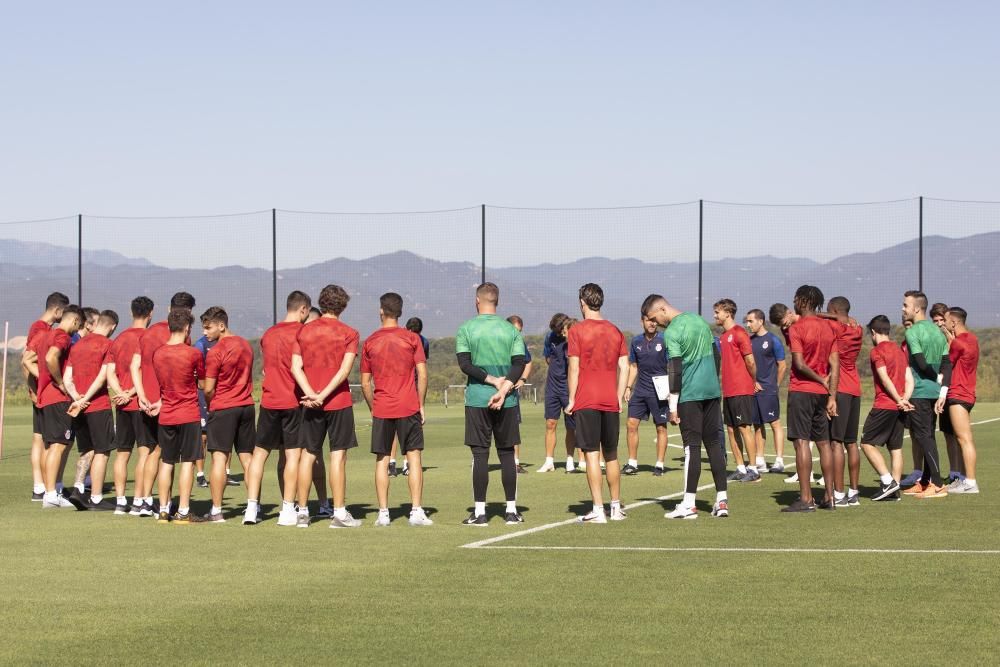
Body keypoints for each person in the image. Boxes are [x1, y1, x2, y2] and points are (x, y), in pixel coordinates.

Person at [644, 295, 729, 519]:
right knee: (714, 445)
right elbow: (717, 354)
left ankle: (689, 504)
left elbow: (675, 369)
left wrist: (672, 406)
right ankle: (722, 501)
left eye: (655, 318)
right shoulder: (699, 320)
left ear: (662, 309)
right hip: (711, 391)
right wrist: (711, 379)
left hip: (690, 395)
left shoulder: (671, 332)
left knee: (691, 448)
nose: (656, 323)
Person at [291, 284, 362, 529]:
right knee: (338, 457)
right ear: (343, 306)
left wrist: (311, 393)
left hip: (310, 403)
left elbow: (295, 368)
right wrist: (323, 394)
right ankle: (339, 514)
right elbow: (344, 371)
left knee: (308, 456)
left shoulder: (304, 331)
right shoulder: (349, 332)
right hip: (338, 402)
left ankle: (301, 513)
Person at [455, 282, 526, 526]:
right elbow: (519, 364)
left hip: (477, 399)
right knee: (507, 454)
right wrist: (505, 386)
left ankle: (480, 513)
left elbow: (464, 364)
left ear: (477, 301)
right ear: (497, 301)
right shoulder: (511, 330)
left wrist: (491, 380)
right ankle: (511, 511)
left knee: (480, 455)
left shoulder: (466, 329)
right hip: (507, 401)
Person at [360, 292, 433, 526]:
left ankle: (383, 513)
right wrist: (420, 403)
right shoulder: (412, 339)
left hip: (382, 408)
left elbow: (364, 382)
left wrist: (374, 407)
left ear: (381, 311)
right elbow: (422, 374)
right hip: (408, 406)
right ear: (400, 312)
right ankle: (416, 511)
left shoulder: (370, 341)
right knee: (414, 458)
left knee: (382, 460)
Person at [247, 291, 312, 527]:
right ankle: (287, 509)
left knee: (260, 454)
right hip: (293, 402)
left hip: (268, 401)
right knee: (292, 455)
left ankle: (251, 507)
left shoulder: (268, 334)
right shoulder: (302, 332)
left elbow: (266, 369)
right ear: (303, 309)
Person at [565, 284, 628, 523]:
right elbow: (625, 366)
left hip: (587, 399)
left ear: (582, 302)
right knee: (611, 454)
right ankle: (616, 508)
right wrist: (619, 396)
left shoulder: (577, 331)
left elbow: (574, 367)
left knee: (592, 455)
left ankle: (598, 510)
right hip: (609, 400)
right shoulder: (615, 330)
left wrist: (571, 398)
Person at [131, 291, 197, 516]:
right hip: (169, 402)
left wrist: (140, 394)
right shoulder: (180, 337)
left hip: (146, 399)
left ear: (169, 309)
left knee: (146, 452)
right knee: (162, 453)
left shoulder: (148, 334)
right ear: (187, 314)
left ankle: (142, 501)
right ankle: (160, 504)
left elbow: (134, 366)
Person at [781, 285, 840, 513]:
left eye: (796, 298)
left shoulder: (798, 328)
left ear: (803, 300)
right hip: (821, 395)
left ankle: (806, 499)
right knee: (824, 443)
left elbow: (799, 364)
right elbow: (834, 365)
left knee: (802, 442)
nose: (794, 301)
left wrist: (821, 380)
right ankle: (829, 497)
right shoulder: (829, 328)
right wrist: (831, 394)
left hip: (802, 390)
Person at [200, 307, 257, 524]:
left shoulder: (215, 351)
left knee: (219, 458)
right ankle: (252, 507)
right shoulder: (246, 345)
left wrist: (210, 404)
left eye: (208, 327)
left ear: (221, 325)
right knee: (247, 457)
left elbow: (208, 388)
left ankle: (216, 510)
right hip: (247, 406)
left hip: (223, 407)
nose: (205, 333)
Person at [150, 309, 206, 523]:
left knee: (166, 461)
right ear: (186, 328)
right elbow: (201, 382)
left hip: (167, 415)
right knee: (188, 462)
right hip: (189, 413)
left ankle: (163, 509)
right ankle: (183, 511)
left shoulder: (158, 353)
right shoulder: (193, 353)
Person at [64, 310, 119, 510]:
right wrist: (86, 398)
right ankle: (96, 497)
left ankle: (78, 489)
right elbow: (103, 376)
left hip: (79, 406)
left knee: (87, 450)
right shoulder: (108, 345)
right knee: (103, 451)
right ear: (112, 327)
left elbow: (67, 379)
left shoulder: (77, 345)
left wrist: (77, 398)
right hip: (97, 405)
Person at [106, 296, 154, 514]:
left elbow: (110, 372)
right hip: (141, 403)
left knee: (122, 453)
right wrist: (131, 393)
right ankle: (138, 501)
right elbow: (143, 373)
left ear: (130, 311)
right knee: (145, 453)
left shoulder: (119, 339)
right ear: (151, 313)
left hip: (122, 404)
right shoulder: (148, 338)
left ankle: (120, 501)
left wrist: (120, 392)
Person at [900, 290, 950, 499]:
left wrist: (935, 378)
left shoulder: (912, 333)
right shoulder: (938, 331)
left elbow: (920, 363)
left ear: (917, 309)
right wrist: (942, 387)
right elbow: (947, 363)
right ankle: (925, 482)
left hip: (920, 391)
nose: (903, 309)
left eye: (905, 305)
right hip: (933, 393)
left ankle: (937, 484)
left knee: (923, 437)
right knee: (926, 436)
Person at [769, 302, 824, 488]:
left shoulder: (809, 322)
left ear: (790, 312)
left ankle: (825, 474)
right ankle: (804, 474)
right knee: (802, 436)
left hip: (815, 383)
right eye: (781, 326)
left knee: (823, 438)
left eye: (785, 322)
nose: (784, 327)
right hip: (801, 383)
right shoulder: (788, 331)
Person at [860, 315, 914, 501]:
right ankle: (895, 490)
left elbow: (884, 378)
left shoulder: (877, 352)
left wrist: (898, 399)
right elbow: (910, 380)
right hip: (899, 407)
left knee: (866, 443)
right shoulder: (900, 351)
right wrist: (904, 399)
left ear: (874, 332)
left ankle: (887, 481)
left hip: (885, 405)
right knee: (895, 447)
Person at [22, 291, 69, 501]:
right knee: (40, 440)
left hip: (40, 391)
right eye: (64, 312)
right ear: (57, 310)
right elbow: (27, 360)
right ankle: (40, 486)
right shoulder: (40, 329)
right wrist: (35, 386)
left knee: (43, 440)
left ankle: (44, 487)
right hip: (41, 393)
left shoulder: (46, 329)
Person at [37, 305, 84, 509]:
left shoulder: (45, 336)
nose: (77, 331)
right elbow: (50, 358)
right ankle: (50, 494)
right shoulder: (62, 336)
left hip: (45, 397)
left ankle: (50, 492)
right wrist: (61, 382)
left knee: (50, 446)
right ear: (74, 321)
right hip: (57, 397)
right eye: (79, 326)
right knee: (59, 445)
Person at [823, 297, 864, 507]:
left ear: (835, 310)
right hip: (855, 388)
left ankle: (839, 494)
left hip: (839, 389)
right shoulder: (858, 329)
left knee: (835, 442)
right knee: (851, 442)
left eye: (830, 310)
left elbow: (815, 316)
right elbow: (844, 318)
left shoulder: (835, 327)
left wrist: (832, 315)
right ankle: (853, 492)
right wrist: (846, 317)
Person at [714, 299, 760, 483]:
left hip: (742, 389)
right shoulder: (724, 337)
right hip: (729, 391)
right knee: (731, 430)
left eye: (717, 312)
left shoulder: (740, 333)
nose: (715, 315)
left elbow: (750, 361)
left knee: (744, 428)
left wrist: (753, 381)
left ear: (727, 312)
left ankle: (754, 469)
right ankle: (740, 468)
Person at [623, 311, 669, 477]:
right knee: (631, 424)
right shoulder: (636, 341)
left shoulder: (664, 340)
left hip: (660, 390)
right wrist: (628, 387)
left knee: (661, 427)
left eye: (654, 321)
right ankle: (632, 463)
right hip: (641, 390)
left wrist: (672, 390)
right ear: (642, 321)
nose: (652, 323)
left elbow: (672, 365)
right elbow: (634, 367)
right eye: (648, 320)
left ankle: (659, 465)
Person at [939, 307, 979, 494]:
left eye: (946, 320)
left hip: (958, 394)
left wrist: (948, 343)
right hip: (968, 393)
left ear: (954, 322)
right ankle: (965, 479)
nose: (943, 323)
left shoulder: (957, 344)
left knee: (964, 439)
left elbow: (947, 364)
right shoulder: (972, 339)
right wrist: (951, 337)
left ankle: (970, 482)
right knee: (963, 438)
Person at [745, 308, 786, 473]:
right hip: (753, 388)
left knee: (775, 423)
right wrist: (752, 382)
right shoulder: (749, 340)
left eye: (751, 321)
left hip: (768, 389)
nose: (748, 324)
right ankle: (760, 460)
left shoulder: (773, 340)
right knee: (757, 424)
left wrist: (775, 385)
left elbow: (782, 365)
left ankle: (779, 461)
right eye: (747, 321)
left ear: (760, 321)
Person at [389, 316, 431, 477]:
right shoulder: (424, 341)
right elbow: (422, 368)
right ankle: (407, 464)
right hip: (412, 388)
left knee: (392, 426)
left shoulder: (398, 339)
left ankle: (391, 464)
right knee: (410, 429)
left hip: (396, 385)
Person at [536, 314, 578, 473]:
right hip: (552, 387)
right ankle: (549, 462)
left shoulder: (573, 336)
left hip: (569, 388)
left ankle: (569, 461)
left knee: (571, 426)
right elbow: (548, 358)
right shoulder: (550, 337)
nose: (558, 334)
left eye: (560, 331)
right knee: (550, 424)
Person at [929, 302, 963, 483]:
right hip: (941, 391)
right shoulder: (934, 339)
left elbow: (954, 353)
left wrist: (947, 335)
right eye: (935, 321)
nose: (939, 324)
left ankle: (964, 474)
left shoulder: (957, 338)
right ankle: (954, 472)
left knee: (960, 435)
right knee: (948, 435)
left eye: (942, 320)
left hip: (956, 390)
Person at [506, 315, 533, 474]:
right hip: (493, 390)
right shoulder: (496, 341)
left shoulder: (519, 343)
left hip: (512, 394)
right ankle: (480, 461)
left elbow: (528, 362)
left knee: (513, 428)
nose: (518, 334)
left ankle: (515, 463)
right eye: (515, 331)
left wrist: (522, 379)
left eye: (520, 332)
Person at [191, 330, 217, 489]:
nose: (204, 331)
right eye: (203, 327)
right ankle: (200, 474)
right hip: (202, 393)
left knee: (221, 435)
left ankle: (224, 473)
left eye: (208, 327)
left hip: (220, 393)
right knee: (203, 436)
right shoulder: (200, 344)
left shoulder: (225, 343)